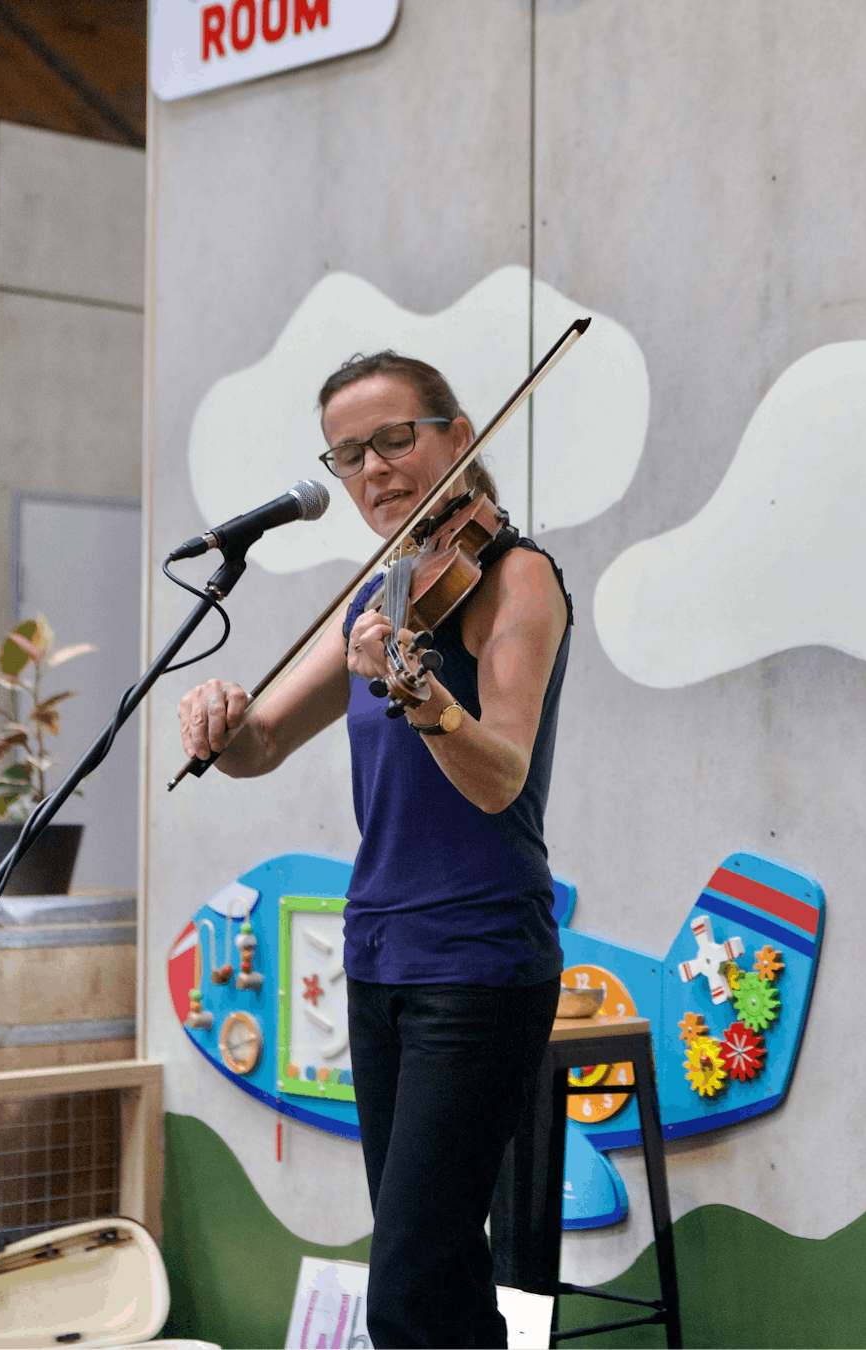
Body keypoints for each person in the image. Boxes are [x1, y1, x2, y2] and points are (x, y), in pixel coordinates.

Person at [178, 352, 572, 1348]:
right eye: (349, 454)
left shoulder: (515, 578)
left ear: (457, 434)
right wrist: (220, 718)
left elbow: (502, 776)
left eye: (396, 439)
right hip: (379, 953)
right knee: (437, 1276)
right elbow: (260, 744)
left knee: (409, 1285)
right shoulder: (380, 594)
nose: (375, 470)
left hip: (478, 958)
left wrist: (418, 692)